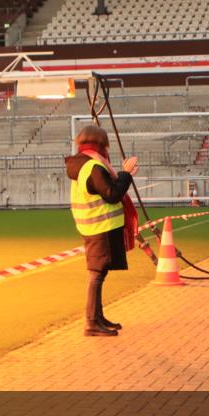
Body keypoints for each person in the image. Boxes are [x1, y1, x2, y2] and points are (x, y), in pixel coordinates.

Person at [65, 125, 139, 337]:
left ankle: (97, 317)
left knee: (99, 273)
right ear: (101, 143)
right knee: (96, 275)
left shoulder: (83, 165)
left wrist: (124, 175)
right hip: (100, 228)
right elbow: (112, 193)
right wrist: (125, 174)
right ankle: (91, 322)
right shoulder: (93, 167)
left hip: (93, 226)